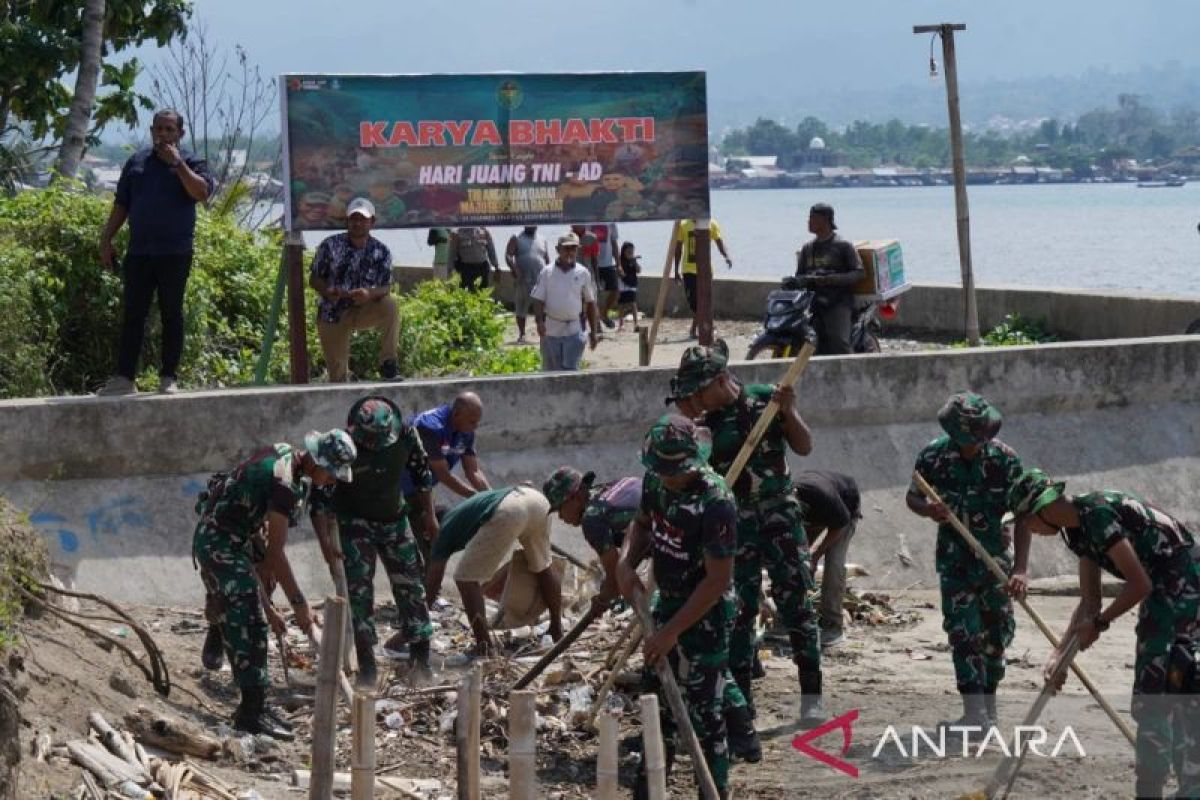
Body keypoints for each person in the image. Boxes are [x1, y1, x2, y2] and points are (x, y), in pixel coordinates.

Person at [1008, 470, 1199, 799]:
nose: (1030, 531)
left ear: (1044, 509)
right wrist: (1061, 655)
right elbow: (1090, 600)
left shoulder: (1097, 514)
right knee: (1156, 691)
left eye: (1027, 522)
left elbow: (1139, 584)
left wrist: (1099, 624)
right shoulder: (1076, 531)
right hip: (1160, 592)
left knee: (1164, 687)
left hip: (1183, 586)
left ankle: (1173, 787)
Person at [676, 339, 827, 728]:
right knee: (739, 610)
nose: (697, 398)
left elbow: (805, 446)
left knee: (796, 601)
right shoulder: (704, 426)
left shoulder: (767, 400)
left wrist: (790, 411)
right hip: (735, 523)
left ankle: (812, 696)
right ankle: (742, 704)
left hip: (780, 516)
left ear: (721, 378)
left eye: (700, 389)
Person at [616, 414, 755, 800]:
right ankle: (648, 790)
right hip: (667, 602)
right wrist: (626, 563)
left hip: (705, 613)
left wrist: (672, 631)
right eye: (663, 471)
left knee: (705, 713)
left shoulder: (716, 502)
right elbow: (642, 525)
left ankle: (714, 791)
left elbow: (717, 580)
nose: (669, 479)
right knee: (655, 703)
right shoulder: (655, 482)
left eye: (676, 472)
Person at [193, 429, 356, 739]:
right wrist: (300, 606)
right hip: (220, 540)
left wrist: (271, 606)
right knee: (250, 621)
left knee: (258, 604)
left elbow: (266, 551)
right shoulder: (284, 484)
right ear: (316, 462)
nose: (332, 481)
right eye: (332, 474)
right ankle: (250, 712)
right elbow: (276, 554)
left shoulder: (284, 454)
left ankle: (257, 701)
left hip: (237, 536)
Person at [905, 392, 1029, 730]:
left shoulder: (1005, 460)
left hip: (994, 562)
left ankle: (988, 707)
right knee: (963, 633)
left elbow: (1024, 514)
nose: (978, 443)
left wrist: (1020, 568)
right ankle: (974, 714)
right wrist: (929, 510)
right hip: (954, 562)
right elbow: (913, 496)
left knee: (996, 632)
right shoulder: (933, 455)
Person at [310, 397, 439, 685]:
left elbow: (422, 475)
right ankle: (367, 666)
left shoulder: (406, 434)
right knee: (359, 593)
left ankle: (421, 660)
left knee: (411, 588)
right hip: (354, 522)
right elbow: (318, 500)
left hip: (394, 518)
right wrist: (327, 548)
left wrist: (429, 516)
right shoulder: (341, 446)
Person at [97, 109, 215, 396]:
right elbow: (122, 204)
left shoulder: (192, 161)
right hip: (139, 252)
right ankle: (125, 378)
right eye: (158, 129)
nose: (162, 135)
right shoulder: (137, 162)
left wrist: (177, 165)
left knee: (171, 314)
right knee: (133, 314)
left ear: (180, 134)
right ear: (152, 131)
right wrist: (106, 239)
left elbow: (202, 193)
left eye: (169, 130)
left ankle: (168, 377)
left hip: (175, 252)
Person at [424, 485, 563, 656]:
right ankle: (556, 628)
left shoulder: (441, 530)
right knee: (542, 567)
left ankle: (484, 647)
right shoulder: (463, 514)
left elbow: (432, 586)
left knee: (465, 579)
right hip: (535, 500)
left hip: (510, 510)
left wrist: (415, 626)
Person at [309, 197, 400, 382]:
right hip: (332, 312)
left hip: (364, 309)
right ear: (347, 221)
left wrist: (369, 294)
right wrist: (329, 291)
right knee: (337, 376)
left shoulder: (381, 251)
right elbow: (314, 279)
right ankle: (346, 381)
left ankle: (388, 364)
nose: (358, 223)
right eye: (354, 219)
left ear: (372, 222)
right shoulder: (330, 245)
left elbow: (385, 287)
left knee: (390, 306)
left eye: (363, 219)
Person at [402, 393, 491, 555]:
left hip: (422, 492)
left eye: (477, 422)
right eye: (472, 421)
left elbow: (473, 471)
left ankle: (429, 576)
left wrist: (492, 498)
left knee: (436, 541)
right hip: (397, 492)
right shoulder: (429, 426)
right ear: (456, 414)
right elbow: (442, 474)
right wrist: (477, 499)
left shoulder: (466, 432)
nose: (475, 427)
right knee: (420, 540)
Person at [542, 466, 637, 611]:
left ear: (577, 497)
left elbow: (616, 580)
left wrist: (600, 602)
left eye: (560, 508)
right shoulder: (609, 488)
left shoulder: (592, 519)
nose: (561, 517)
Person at [794, 470, 863, 649]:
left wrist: (816, 555)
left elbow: (839, 524)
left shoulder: (824, 496)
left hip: (844, 512)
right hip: (814, 513)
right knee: (796, 560)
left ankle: (833, 626)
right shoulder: (782, 501)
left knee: (834, 565)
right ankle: (793, 618)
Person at [794, 203, 865, 356]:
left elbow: (859, 273)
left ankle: (851, 373)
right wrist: (797, 281)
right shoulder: (807, 248)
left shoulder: (843, 245)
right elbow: (799, 275)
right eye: (809, 218)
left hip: (838, 302)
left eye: (813, 218)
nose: (808, 221)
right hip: (814, 303)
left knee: (839, 342)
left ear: (825, 219)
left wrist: (833, 279)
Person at [530, 232, 600, 371]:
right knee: (551, 372)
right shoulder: (546, 272)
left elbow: (590, 302)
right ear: (558, 250)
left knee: (571, 373)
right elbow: (538, 299)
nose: (570, 252)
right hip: (551, 332)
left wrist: (593, 332)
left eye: (573, 249)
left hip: (574, 331)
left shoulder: (583, 273)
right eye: (566, 249)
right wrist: (539, 322)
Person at [672, 219, 733, 339]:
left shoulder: (712, 223)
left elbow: (719, 242)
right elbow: (678, 248)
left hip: (705, 270)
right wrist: (675, 271)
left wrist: (727, 256)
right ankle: (704, 327)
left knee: (703, 302)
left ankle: (696, 330)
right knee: (694, 303)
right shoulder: (684, 224)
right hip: (688, 271)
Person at [505, 226, 550, 343]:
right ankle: (522, 334)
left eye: (533, 224)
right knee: (521, 308)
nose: (531, 226)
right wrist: (514, 268)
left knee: (542, 308)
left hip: (540, 280)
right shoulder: (516, 238)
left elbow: (547, 259)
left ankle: (543, 333)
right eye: (528, 224)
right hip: (523, 279)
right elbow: (508, 255)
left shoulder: (543, 239)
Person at [586, 223, 620, 328]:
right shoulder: (588, 222)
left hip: (607, 263)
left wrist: (619, 264)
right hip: (591, 263)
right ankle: (596, 322)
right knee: (593, 294)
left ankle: (604, 314)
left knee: (615, 290)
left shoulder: (611, 223)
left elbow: (614, 242)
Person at [449, 226, 499, 291]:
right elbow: (452, 253)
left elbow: (491, 249)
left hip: (482, 268)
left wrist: (496, 267)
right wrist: (450, 269)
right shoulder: (457, 233)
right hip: (466, 269)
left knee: (482, 294)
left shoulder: (484, 231)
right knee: (467, 295)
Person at [616, 241, 640, 331]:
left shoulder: (633, 261)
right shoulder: (620, 261)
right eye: (628, 252)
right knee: (621, 304)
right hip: (623, 284)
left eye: (632, 252)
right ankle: (621, 324)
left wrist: (634, 262)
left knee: (633, 303)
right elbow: (619, 273)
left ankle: (636, 323)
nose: (630, 253)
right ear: (623, 251)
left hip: (632, 284)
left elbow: (638, 270)